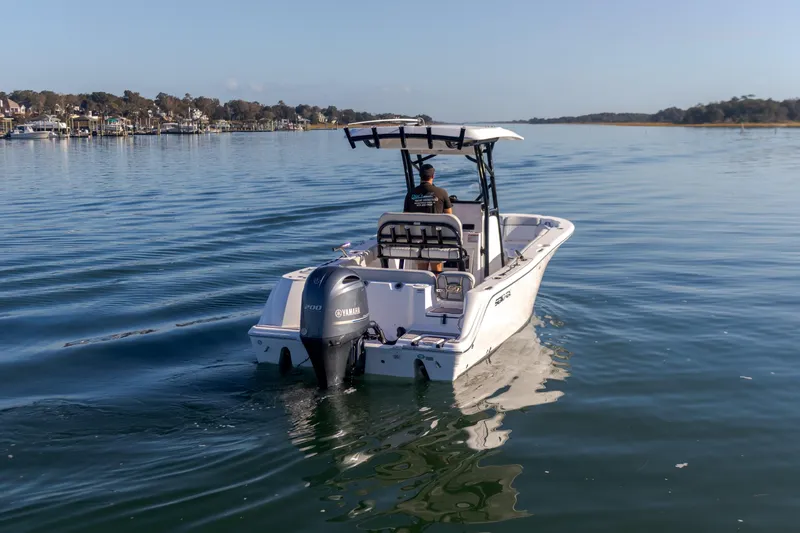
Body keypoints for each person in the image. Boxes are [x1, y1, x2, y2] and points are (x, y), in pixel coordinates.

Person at [403, 164, 452, 274]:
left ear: (420, 176)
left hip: (417, 238)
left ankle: (423, 285)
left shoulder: (410, 194)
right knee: (436, 268)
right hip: (436, 237)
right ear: (433, 176)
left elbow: (405, 217)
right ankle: (436, 288)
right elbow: (449, 216)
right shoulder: (442, 192)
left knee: (422, 268)